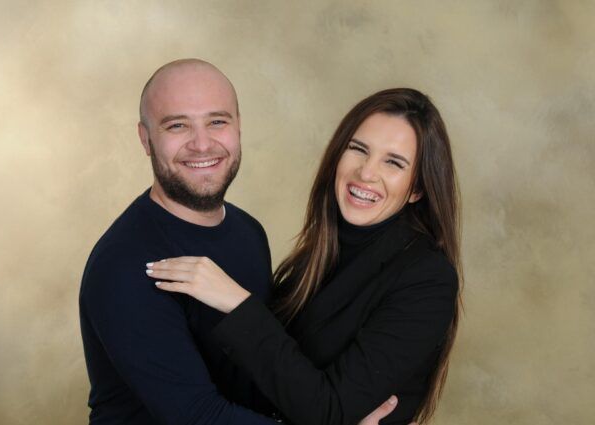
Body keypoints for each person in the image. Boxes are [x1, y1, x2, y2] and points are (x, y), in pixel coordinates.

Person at [80, 59, 403, 424]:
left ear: (238, 127)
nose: (202, 144)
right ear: (146, 139)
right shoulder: (125, 264)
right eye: (177, 125)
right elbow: (198, 417)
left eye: (217, 122)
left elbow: (265, 369)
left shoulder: (248, 232)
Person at [149, 88, 461, 424]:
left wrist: (237, 303)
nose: (366, 173)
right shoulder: (321, 250)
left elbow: (328, 412)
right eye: (358, 149)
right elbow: (266, 382)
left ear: (417, 189)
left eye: (393, 162)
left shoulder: (427, 279)